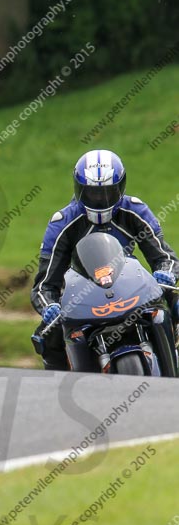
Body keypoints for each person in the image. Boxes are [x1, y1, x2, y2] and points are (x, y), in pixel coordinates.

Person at [31, 149, 179, 370]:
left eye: (108, 192)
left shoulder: (135, 210)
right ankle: (58, 385)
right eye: (92, 193)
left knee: (175, 300)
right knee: (47, 334)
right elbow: (44, 284)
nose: (100, 199)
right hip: (85, 293)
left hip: (132, 287)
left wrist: (166, 272)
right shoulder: (61, 223)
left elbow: (164, 256)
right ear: (79, 189)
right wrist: (49, 306)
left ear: (121, 187)